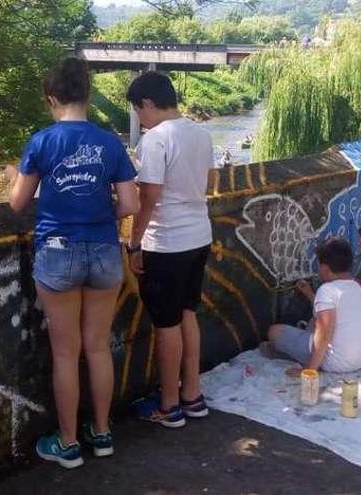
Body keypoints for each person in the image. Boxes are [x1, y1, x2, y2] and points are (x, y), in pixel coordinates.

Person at [6, 58, 139, 468]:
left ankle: (67, 444)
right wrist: (97, 215)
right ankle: (101, 434)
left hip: (58, 250)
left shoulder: (42, 141)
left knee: (66, 354)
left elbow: (17, 203)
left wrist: (14, 174)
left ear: (51, 98)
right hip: (102, 249)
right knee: (97, 347)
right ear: (86, 95)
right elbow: (130, 204)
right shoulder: (110, 142)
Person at [125, 71, 214, 428]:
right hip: (199, 236)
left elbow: (148, 198)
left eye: (137, 111)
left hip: (166, 242)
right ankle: (192, 395)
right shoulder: (201, 133)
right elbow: (208, 182)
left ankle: (169, 404)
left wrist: (134, 244)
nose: (139, 119)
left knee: (166, 324)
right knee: (188, 314)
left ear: (147, 103)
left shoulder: (155, 140)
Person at [262, 238, 361, 374]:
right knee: (313, 321)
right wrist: (310, 294)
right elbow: (328, 313)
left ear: (325, 269)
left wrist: (309, 370)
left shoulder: (327, 290)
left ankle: (304, 358)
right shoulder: (355, 286)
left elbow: (325, 333)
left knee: (274, 332)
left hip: (340, 363)